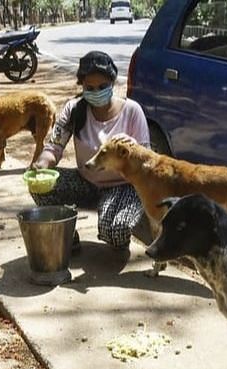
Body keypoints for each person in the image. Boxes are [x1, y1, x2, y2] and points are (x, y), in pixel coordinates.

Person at [31, 51, 150, 250]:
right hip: (86, 182)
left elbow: (147, 162)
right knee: (41, 187)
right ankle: (67, 235)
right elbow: (54, 147)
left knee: (115, 231)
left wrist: (132, 147)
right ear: (82, 87)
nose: (97, 92)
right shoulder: (73, 109)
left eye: (102, 87)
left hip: (123, 185)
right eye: (90, 88)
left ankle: (120, 227)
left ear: (112, 83)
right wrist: (42, 163)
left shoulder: (132, 111)